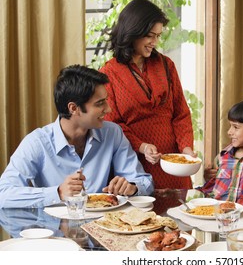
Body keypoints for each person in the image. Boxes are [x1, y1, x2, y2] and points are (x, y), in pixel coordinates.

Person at [0, 65, 154, 209]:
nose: (108, 108)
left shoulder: (112, 133)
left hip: (105, 228)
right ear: (73, 108)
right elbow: (4, 194)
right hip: (55, 232)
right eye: (100, 103)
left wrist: (132, 187)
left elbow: (145, 182)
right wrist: (58, 193)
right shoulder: (37, 142)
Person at [99, 0, 196, 190]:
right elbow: (113, 124)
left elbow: (181, 113)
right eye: (150, 36)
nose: (155, 42)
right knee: (143, 218)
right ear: (133, 32)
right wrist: (142, 146)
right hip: (135, 163)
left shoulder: (166, 65)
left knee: (178, 215)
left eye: (158, 36)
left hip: (173, 164)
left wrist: (186, 150)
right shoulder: (108, 73)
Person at [196, 99, 243, 209]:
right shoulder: (222, 157)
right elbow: (212, 192)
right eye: (230, 126)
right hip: (217, 217)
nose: (229, 132)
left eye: (236, 127)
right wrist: (207, 179)